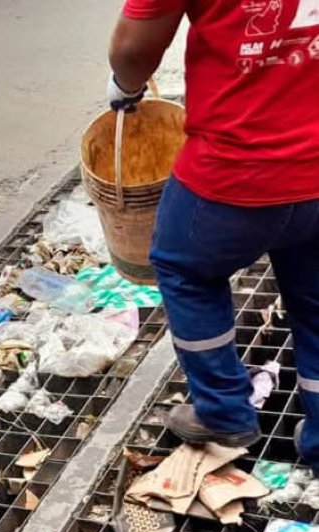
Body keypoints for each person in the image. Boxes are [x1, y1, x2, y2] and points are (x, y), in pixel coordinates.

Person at [108, 1, 319, 458]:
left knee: (185, 270)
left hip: (233, 173)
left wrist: (125, 87)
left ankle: (224, 413)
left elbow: (133, 48)